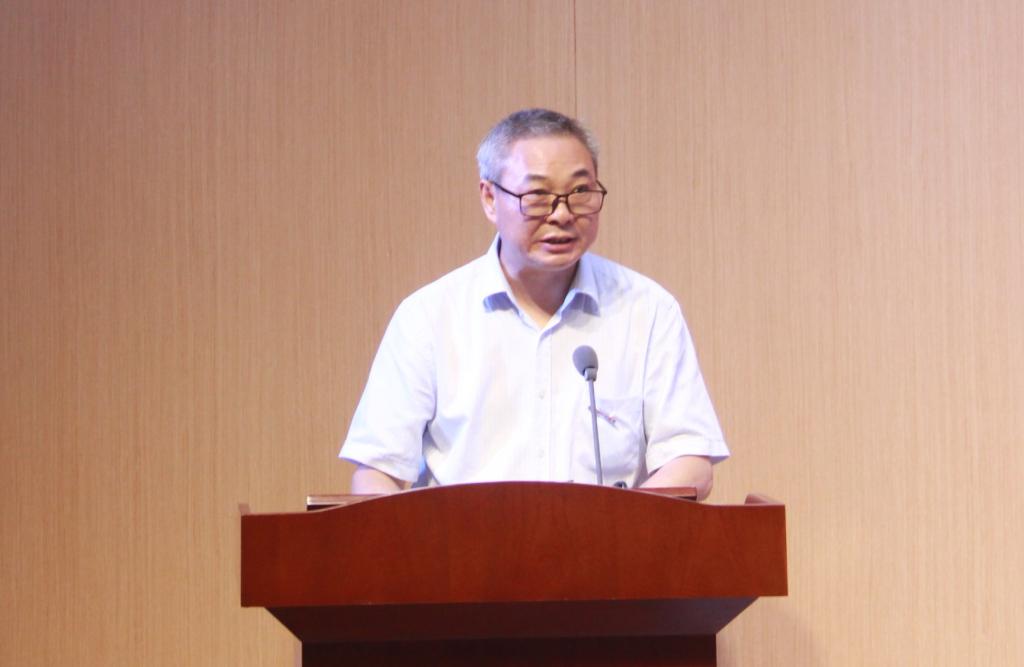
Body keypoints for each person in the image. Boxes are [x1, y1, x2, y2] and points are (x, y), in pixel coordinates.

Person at [339, 108, 729, 499]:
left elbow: (690, 462)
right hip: (462, 540)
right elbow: (376, 472)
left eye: (580, 192)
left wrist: (618, 526)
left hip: (609, 540)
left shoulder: (647, 310)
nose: (562, 214)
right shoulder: (428, 317)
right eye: (538, 196)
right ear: (490, 198)